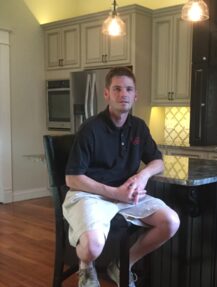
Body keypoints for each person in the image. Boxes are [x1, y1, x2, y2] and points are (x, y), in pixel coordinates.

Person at [63, 67, 180, 287]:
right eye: (117, 89)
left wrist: (143, 176)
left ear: (135, 95)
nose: (123, 94)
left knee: (171, 221)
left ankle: (122, 265)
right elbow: (72, 179)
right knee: (92, 247)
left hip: (126, 197)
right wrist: (115, 192)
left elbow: (157, 161)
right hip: (91, 195)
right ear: (107, 94)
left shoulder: (138, 127)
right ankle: (86, 267)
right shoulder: (90, 129)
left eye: (128, 89)